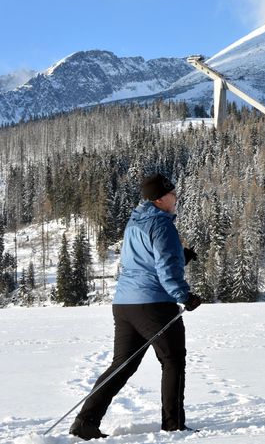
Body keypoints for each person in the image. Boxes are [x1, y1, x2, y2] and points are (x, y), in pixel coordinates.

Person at [69, 173, 202, 440]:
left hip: (125, 304)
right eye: (173, 194)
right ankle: (173, 424)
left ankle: (85, 421)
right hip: (153, 303)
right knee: (173, 360)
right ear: (161, 198)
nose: (177, 198)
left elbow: (143, 262)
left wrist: (180, 256)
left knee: (122, 365)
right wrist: (184, 295)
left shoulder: (135, 222)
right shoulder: (162, 225)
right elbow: (163, 269)